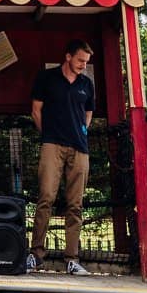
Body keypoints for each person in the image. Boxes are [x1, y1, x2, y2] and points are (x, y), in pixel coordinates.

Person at [27, 38, 96, 277]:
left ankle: (72, 259)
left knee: (75, 204)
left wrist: (82, 131)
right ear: (68, 57)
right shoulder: (47, 78)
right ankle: (35, 254)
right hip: (52, 145)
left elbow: (89, 112)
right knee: (45, 198)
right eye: (80, 60)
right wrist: (47, 134)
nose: (83, 66)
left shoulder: (87, 84)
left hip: (80, 148)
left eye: (86, 62)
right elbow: (36, 110)